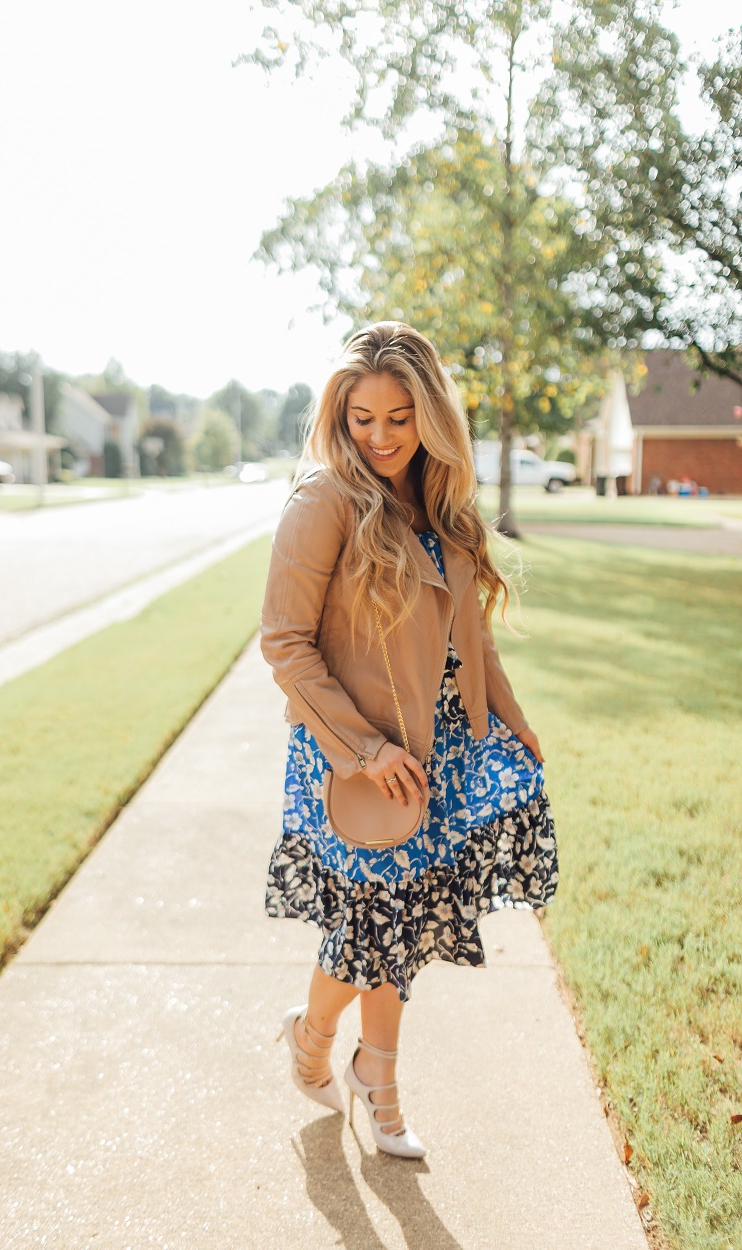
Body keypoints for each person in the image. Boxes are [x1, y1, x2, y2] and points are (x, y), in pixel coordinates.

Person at [261, 321, 558, 1159]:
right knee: (371, 924)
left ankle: (372, 1073)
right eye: (362, 418)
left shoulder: (446, 507)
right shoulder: (323, 502)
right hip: (355, 754)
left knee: (404, 924)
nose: (381, 437)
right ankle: (323, 1044)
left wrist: (515, 721)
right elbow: (284, 643)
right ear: (339, 416)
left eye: (399, 417)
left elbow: (473, 639)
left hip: (441, 749)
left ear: (430, 415)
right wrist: (365, 750)